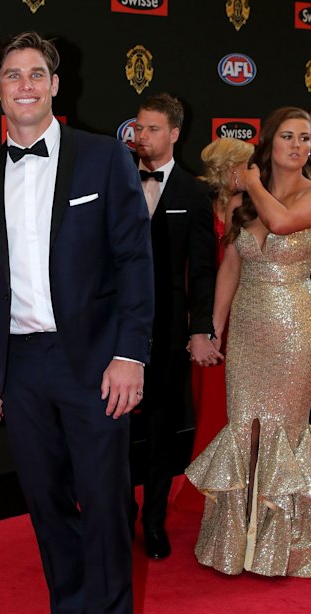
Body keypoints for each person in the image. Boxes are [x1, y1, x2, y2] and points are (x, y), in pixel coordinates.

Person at [0, 31, 154, 614]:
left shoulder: (105, 158)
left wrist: (131, 355)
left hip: (96, 364)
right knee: (47, 512)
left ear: (54, 85)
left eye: (36, 74)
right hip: (22, 368)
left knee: (104, 511)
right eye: (11, 75)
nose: (24, 85)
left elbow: (136, 262)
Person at [186, 107, 311, 576]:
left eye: (306, 138)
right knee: (244, 428)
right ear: (270, 143)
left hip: (294, 331)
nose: (298, 146)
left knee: (282, 432)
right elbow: (231, 266)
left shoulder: (304, 195)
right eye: (288, 136)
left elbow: (279, 223)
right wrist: (213, 326)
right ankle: (235, 546)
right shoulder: (242, 205)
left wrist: (251, 180)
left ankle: (283, 548)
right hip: (248, 333)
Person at [133, 93, 217, 558]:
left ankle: (154, 519)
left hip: (167, 327)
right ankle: (119, 511)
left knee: (163, 429)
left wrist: (199, 327)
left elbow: (202, 269)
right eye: (138, 127)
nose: (142, 137)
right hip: (114, 326)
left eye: (152, 129)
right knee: (115, 426)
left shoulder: (195, 192)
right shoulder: (114, 179)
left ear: (174, 134)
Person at [175, 137, 254, 514]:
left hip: (254, 315)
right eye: (243, 166)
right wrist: (200, 320)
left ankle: (244, 487)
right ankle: (208, 487)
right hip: (208, 316)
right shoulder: (200, 207)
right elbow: (196, 268)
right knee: (208, 402)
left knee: (243, 405)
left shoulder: (257, 206)